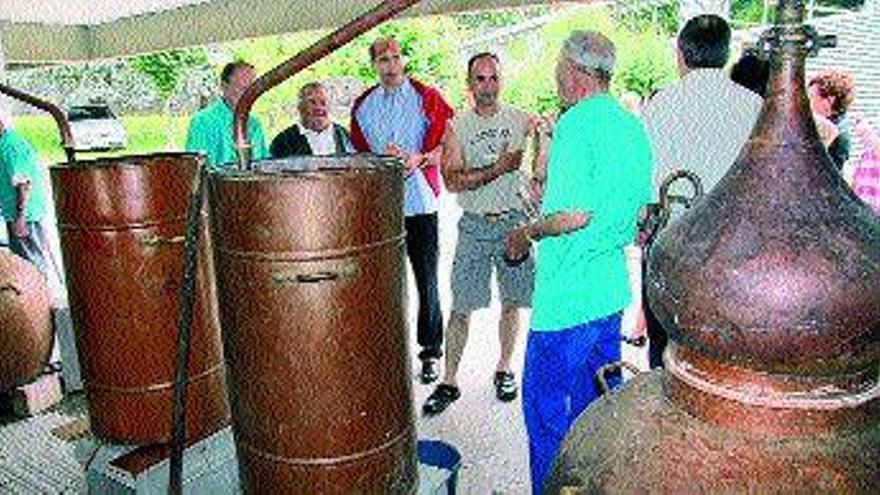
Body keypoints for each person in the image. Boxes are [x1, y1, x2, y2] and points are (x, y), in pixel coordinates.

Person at [505, 31, 652, 493]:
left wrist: (525, 231)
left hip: (566, 300)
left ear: (572, 71)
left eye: (557, 67)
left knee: (546, 415)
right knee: (596, 414)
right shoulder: (631, 125)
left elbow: (572, 216)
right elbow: (642, 214)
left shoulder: (576, 123)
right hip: (609, 292)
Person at [641, 14, 763, 368]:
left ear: (680, 53)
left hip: (672, 247)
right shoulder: (753, 105)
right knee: (724, 355)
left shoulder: (660, 104)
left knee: (665, 352)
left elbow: (647, 186)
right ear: (726, 53)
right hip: (736, 251)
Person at [421, 52, 538, 416]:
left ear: (501, 81)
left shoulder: (520, 119)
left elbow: (542, 158)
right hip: (473, 224)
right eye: (480, 79)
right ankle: (449, 380)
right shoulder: (457, 126)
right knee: (461, 307)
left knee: (513, 302)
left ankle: (504, 369)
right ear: (469, 84)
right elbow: (452, 181)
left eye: (492, 78)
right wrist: (496, 168)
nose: (486, 86)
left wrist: (536, 173)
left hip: (512, 223)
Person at [350, 37, 454, 384]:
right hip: (381, 207)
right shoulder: (362, 107)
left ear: (403, 60)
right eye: (383, 59)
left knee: (427, 281)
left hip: (420, 203)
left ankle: (430, 353)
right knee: (383, 284)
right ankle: (387, 352)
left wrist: (419, 158)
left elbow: (450, 148)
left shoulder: (428, 98)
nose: (391, 65)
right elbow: (359, 159)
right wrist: (383, 161)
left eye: (395, 57)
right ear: (374, 65)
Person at [0, 118, 56, 279]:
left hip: (25, 215)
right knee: (25, 263)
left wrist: (20, 217)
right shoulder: (5, 143)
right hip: (15, 212)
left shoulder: (11, 146)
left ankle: (41, 302)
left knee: (30, 265)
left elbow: (23, 184)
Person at [185, 61, 269, 169]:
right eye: (243, 88)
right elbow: (197, 169)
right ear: (224, 87)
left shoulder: (254, 124)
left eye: (252, 90)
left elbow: (263, 165)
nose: (249, 95)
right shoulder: (202, 121)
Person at [270, 81, 352, 157]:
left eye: (323, 103)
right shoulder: (282, 141)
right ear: (300, 107)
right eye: (312, 102)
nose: (319, 108)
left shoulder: (344, 136)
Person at [808, 70, 855, 171]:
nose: (807, 102)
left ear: (829, 100)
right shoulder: (837, 123)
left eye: (812, 96)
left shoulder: (836, 132)